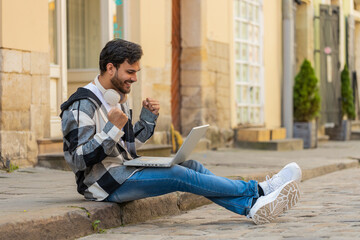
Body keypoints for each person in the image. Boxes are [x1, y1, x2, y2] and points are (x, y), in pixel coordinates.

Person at [60, 39, 302, 225]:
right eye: (130, 72)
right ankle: (258, 191)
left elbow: (130, 146)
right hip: (103, 184)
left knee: (192, 167)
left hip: (125, 170)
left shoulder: (118, 98)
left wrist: (147, 119)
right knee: (178, 174)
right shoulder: (82, 104)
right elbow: (77, 160)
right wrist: (111, 129)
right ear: (110, 68)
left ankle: (251, 208)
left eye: (136, 72)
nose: (134, 78)